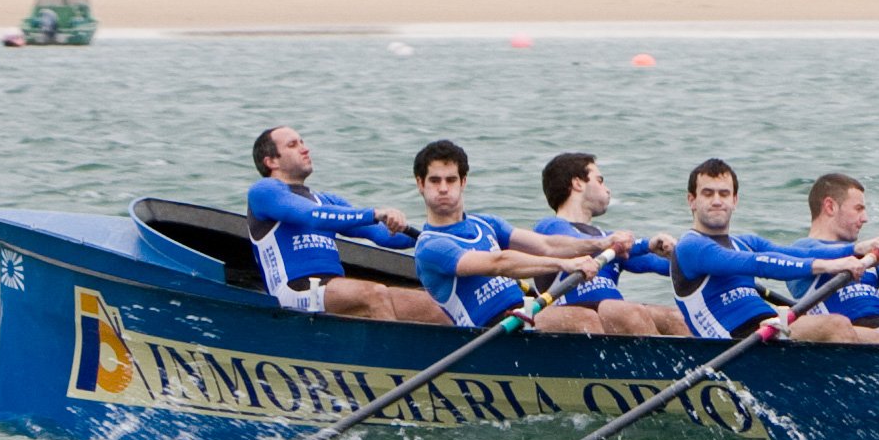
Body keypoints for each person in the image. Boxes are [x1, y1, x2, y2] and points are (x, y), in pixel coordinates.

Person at [403, 141, 622, 333]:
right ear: (421, 184)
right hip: (490, 330)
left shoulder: (486, 223)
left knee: (612, 316)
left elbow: (547, 244)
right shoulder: (430, 246)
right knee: (584, 319)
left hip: (522, 314)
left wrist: (600, 244)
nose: (443, 188)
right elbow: (499, 263)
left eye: (451, 180)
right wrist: (565, 264)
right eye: (435, 181)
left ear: (463, 182)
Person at [662, 159, 878, 341]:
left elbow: (798, 255)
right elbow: (758, 263)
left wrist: (857, 249)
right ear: (692, 201)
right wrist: (833, 265)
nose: (717, 201)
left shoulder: (744, 242)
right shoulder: (691, 246)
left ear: (734, 200)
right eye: (708, 194)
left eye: (724, 194)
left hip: (766, 328)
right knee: (836, 325)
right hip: (734, 341)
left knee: (873, 336)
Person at [243, 125, 439, 322]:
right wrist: (374, 213)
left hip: (332, 289)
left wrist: (436, 235)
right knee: (374, 294)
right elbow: (312, 216)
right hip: (293, 292)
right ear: (271, 162)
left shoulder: (328, 201)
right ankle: (392, 352)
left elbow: (383, 235)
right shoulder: (264, 192)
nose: (305, 148)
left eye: (302, 142)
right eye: (293, 145)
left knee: (433, 305)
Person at [532, 152, 683, 337]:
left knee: (676, 317)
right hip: (569, 316)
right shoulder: (549, 227)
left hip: (612, 316)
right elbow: (576, 243)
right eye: (600, 180)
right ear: (578, 183)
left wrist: (682, 256)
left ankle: (699, 363)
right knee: (624, 311)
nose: (608, 189)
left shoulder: (609, 238)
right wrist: (645, 244)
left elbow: (663, 266)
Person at [787, 173, 879, 346]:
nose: (865, 218)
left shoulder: (865, 258)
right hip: (845, 332)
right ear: (830, 207)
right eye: (858, 209)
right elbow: (819, 255)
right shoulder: (801, 250)